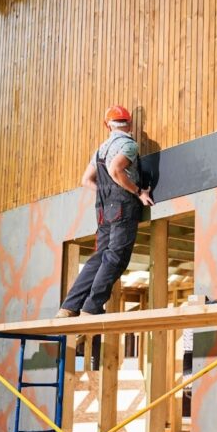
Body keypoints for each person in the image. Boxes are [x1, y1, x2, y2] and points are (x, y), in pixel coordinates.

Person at [56, 105, 154, 317]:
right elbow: (116, 169)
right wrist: (138, 192)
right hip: (122, 207)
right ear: (129, 124)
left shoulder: (100, 150)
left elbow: (86, 180)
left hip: (103, 209)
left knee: (100, 256)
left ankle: (69, 306)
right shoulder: (128, 145)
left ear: (107, 125)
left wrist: (107, 191)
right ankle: (92, 307)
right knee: (116, 257)